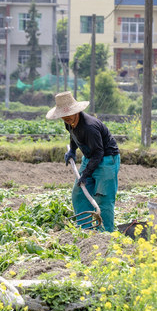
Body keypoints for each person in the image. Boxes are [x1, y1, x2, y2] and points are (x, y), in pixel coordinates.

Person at [47, 91, 120, 232]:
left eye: (68, 115)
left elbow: (99, 153)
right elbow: (73, 136)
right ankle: (86, 229)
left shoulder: (89, 127)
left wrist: (85, 174)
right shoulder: (69, 123)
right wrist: (73, 151)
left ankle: (105, 234)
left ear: (76, 112)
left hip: (106, 159)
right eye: (63, 116)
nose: (66, 118)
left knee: (103, 198)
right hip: (90, 157)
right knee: (79, 194)